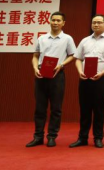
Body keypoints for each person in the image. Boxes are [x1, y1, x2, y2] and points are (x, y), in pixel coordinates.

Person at [69, 14, 104, 149]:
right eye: (94, 22)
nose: (96, 25)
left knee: (98, 109)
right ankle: (82, 138)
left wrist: (103, 72)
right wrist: (80, 71)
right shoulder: (85, 40)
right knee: (84, 109)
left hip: (101, 79)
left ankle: (98, 138)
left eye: (99, 22)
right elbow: (78, 59)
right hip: (84, 79)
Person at [26, 11, 76, 147]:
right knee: (40, 108)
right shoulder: (42, 38)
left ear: (63, 23)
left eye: (58, 20)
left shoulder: (67, 39)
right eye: (53, 20)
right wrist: (35, 68)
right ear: (49, 21)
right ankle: (38, 136)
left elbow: (73, 55)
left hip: (57, 75)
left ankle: (52, 136)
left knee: (56, 108)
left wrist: (62, 65)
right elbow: (35, 56)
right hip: (41, 74)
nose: (55, 22)